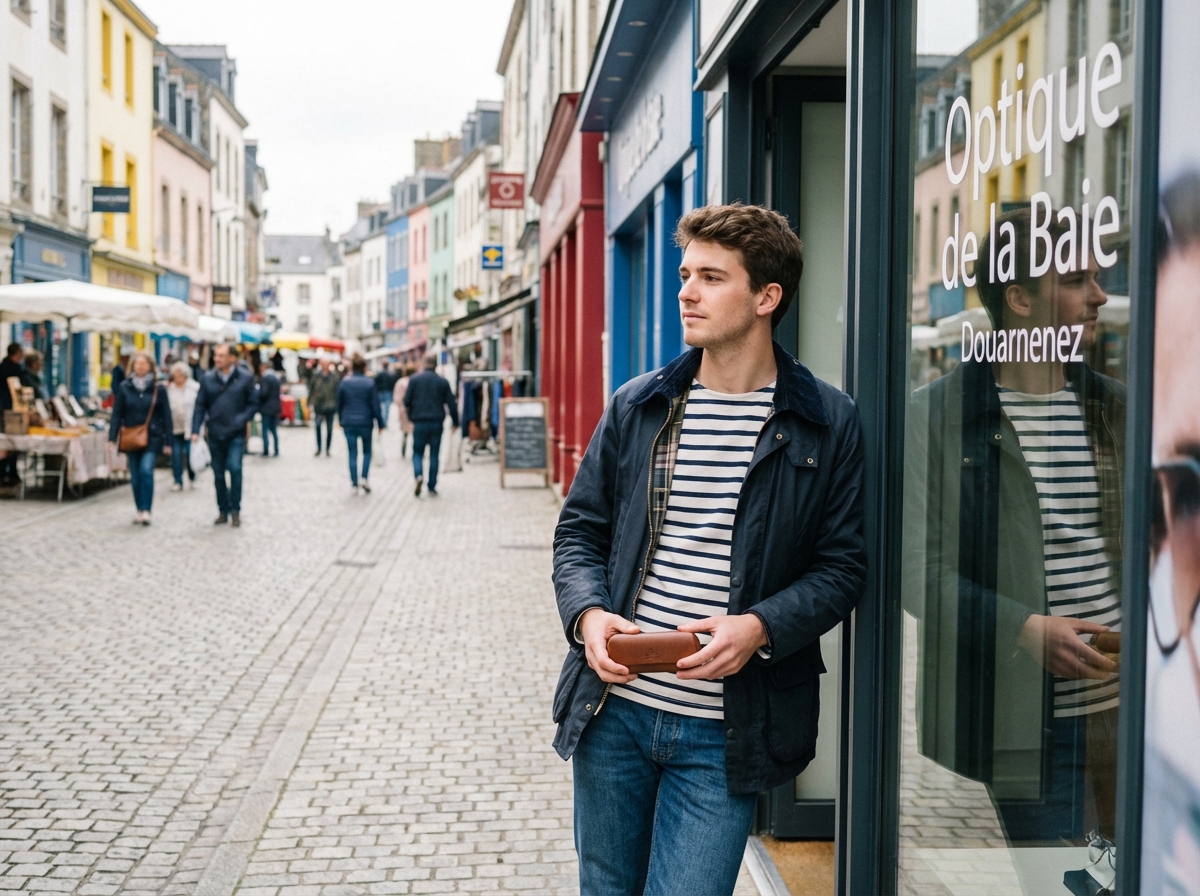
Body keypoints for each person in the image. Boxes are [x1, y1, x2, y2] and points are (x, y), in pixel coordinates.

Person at [552, 203, 866, 895]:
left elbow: (843, 568)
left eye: (711, 277)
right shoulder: (639, 406)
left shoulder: (827, 421)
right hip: (615, 712)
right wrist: (589, 617)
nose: (686, 291)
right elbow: (579, 533)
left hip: (726, 729)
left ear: (766, 297)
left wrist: (760, 627)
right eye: (685, 273)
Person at [903, 205, 1124, 845]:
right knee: (1055, 881)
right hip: (1025, 719)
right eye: (1077, 280)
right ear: (1020, 297)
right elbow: (914, 569)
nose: (1098, 297)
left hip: (1129, 708)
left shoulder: (1116, 408)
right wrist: (1024, 629)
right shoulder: (939, 417)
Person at [191, 343, 259, 527]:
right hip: (215, 432)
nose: (217, 359)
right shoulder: (208, 379)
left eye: (221, 356)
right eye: (216, 356)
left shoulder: (244, 378)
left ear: (232, 358)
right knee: (218, 474)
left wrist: (242, 419)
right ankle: (223, 510)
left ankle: (235, 509)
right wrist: (195, 429)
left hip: (235, 433)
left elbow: (253, 403)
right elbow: (200, 405)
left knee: (235, 468)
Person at [108, 351, 171, 525]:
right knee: (135, 477)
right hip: (131, 437)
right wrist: (112, 437)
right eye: (137, 364)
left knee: (146, 470)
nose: (140, 367)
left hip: (152, 437)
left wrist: (168, 441)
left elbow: (166, 416)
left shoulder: (159, 388)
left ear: (150, 366)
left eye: (144, 364)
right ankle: (139, 508)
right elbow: (117, 414)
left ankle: (147, 509)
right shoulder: (124, 387)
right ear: (133, 366)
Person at [403, 354, 458, 496]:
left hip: (419, 422)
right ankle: (432, 485)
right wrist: (455, 422)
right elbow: (451, 404)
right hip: (436, 422)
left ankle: (418, 475)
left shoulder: (414, 380)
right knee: (434, 454)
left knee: (417, 453)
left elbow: (407, 401)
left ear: (423, 363)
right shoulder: (442, 382)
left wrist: (410, 416)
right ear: (435, 365)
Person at [336, 354, 385, 494]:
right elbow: (376, 406)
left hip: (349, 423)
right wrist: (380, 423)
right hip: (365, 422)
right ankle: (364, 477)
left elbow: (339, 404)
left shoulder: (344, 382)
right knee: (366, 452)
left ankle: (354, 483)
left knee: (352, 453)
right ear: (364, 367)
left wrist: (341, 419)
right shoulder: (370, 383)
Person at [166, 362, 199, 491]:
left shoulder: (194, 387)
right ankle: (177, 480)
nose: (177, 378)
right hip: (174, 428)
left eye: (179, 375)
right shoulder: (169, 388)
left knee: (191, 454)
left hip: (190, 427)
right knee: (176, 455)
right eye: (175, 376)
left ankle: (192, 477)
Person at [1, 343, 26, 486]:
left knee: (8, 443)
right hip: (9, 411)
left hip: (7, 410)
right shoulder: (12, 369)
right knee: (9, 443)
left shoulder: (4, 367)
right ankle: (8, 473)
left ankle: (8, 473)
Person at [309, 359, 340, 457]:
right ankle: (319, 448)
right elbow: (311, 388)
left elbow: (337, 390)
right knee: (318, 426)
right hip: (318, 405)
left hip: (330, 405)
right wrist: (310, 401)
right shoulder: (316, 375)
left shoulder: (334, 376)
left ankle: (327, 449)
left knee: (329, 429)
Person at [257, 360, 282, 458]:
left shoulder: (266, 378)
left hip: (267, 407)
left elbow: (264, 393)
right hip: (275, 407)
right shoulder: (276, 377)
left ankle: (266, 449)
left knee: (265, 430)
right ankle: (276, 449)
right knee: (274, 430)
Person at [392, 364, 415, 458]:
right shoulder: (415, 381)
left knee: (405, 432)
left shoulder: (400, 382)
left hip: (403, 410)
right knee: (414, 431)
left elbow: (396, 398)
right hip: (414, 410)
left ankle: (403, 449)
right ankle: (415, 450)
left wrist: (400, 406)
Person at [374, 362, 397, 429]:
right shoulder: (390, 374)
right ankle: (384, 422)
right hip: (388, 392)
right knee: (387, 408)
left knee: (380, 407)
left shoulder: (380, 374)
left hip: (381, 391)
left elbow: (375, 382)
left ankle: (381, 421)